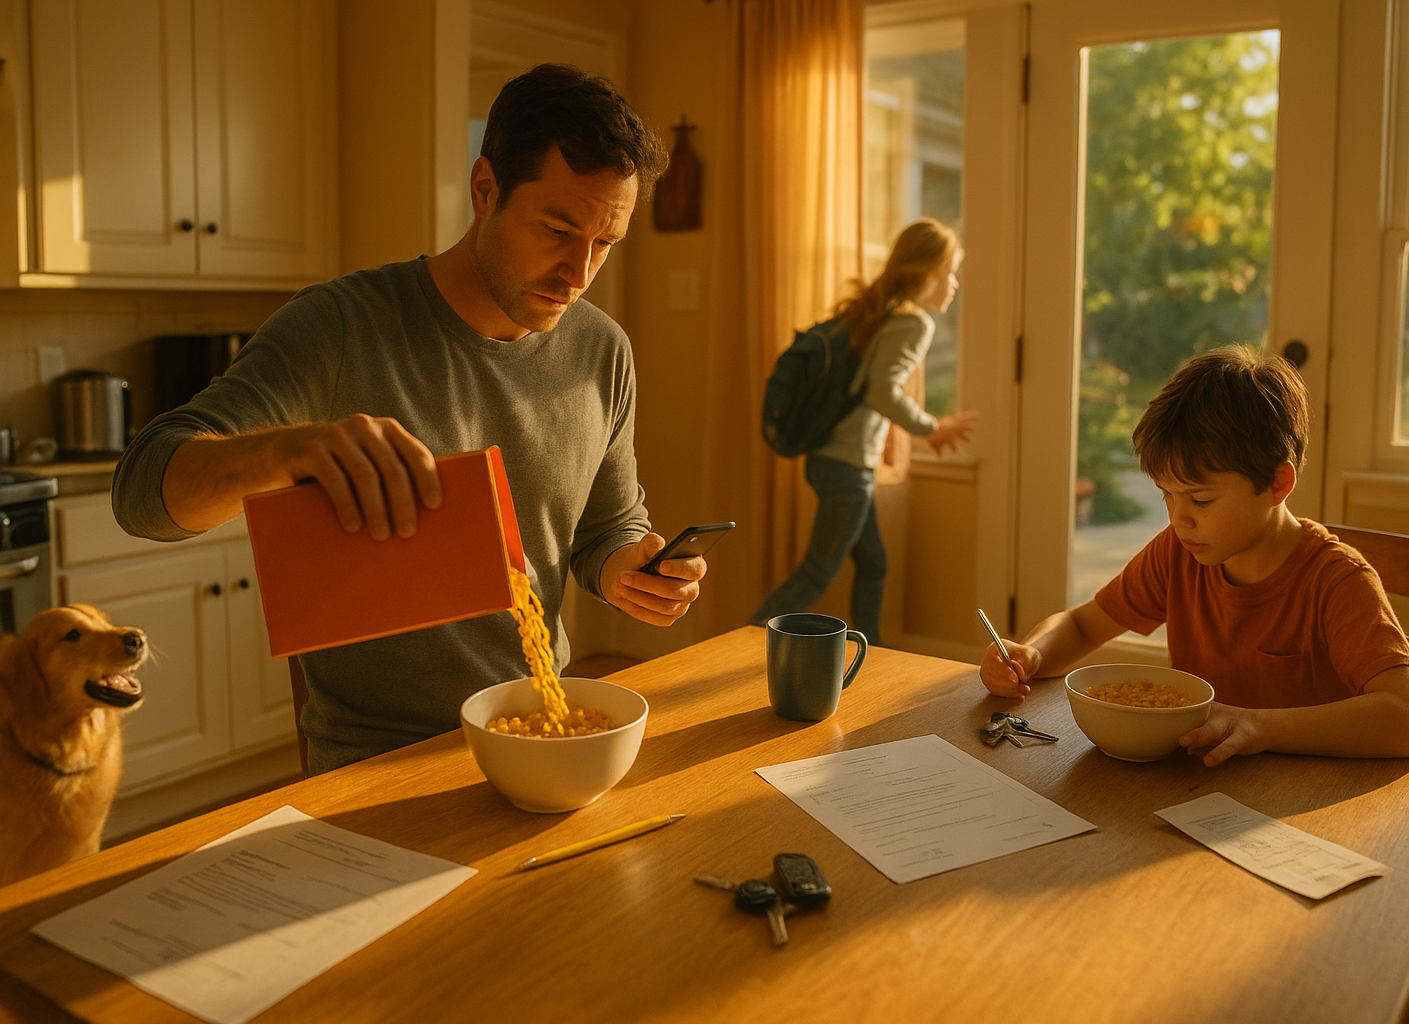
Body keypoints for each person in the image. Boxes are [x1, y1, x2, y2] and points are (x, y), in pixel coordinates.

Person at [113, 64, 705, 775]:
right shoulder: (338, 328)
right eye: (556, 229)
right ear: (484, 189)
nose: (577, 272)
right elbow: (141, 491)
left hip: (541, 735)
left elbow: (608, 526)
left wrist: (628, 569)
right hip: (377, 760)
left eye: (604, 244)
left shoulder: (601, 350)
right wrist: (291, 451)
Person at [979, 345, 1409, 766]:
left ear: (1278, 484)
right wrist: (1031, 654)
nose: (1180, 519)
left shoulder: (1336, 580)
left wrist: (1257, 725)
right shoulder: (1179, 552)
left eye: (1199, 500)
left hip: (1302, 803)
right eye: (1167, 495)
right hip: (1203, 784)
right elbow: (1081, 625)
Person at [750, 219, 980, 646]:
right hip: (847, 465)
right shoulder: (913, 323)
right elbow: (883, 393)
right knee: (817, 572)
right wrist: (932, 429)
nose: (954, 284)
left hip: (836, 462)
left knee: (873, 563)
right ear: (926, 272)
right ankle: (744, 642)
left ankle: (868, 652)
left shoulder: (883, 312)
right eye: (950, 273)